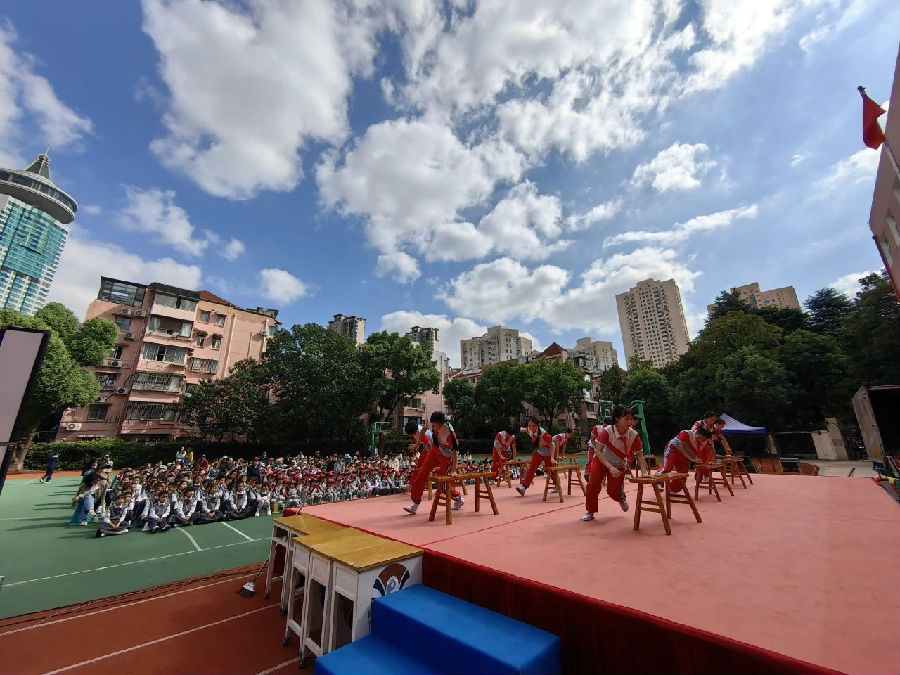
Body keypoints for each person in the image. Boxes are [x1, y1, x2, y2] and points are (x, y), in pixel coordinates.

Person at [582, 405, 641, 521]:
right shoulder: (607, 431)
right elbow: (598, 451)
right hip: (601, 460)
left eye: (631, 419)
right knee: (592, 485)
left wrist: (644, 473)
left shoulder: (634, 435)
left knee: (613, 491)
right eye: (626, 418)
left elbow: (640, 455)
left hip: (618, 464)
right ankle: (590, 511)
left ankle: (620, 497)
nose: (630, 422)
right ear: (617, 419)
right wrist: (609, 467)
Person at [404, 411, 463, 514]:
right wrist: (417, 445)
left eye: (434, 425)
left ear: (441, 423)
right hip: (435, 450)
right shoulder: (432, 424)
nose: (433, 428)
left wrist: (454, 470)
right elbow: (423, 430)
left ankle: (459, 499)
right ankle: (415, 505)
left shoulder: (449, 433)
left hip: (447, 456)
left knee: (443, 485)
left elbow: (455, 451)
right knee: (421, 474)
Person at [658, 427, 713, 492]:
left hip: (685, 456)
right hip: (674, 449)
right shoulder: (686, 433)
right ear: (697, 432)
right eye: (699, 438)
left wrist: (707, 461)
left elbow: (706, 453)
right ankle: (658, 482)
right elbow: (683, 448)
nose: (700, 440)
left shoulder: (705, 443)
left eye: (703, 439)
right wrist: (692, 458)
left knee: (683, 474)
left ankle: (673, 489)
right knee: (667, 466)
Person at [515, 417, 555, 496]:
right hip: (538, 452)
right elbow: (524, 429)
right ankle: (524, 487)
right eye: (529, 425)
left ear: (537, 426)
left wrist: (552, 458)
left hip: (548, 453)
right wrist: (521, 429)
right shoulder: (529, 429)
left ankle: (556, 484)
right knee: (532, 468)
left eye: (533, 426)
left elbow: (552, 445)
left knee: (549, 470)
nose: (531, 428)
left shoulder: (544, 434)